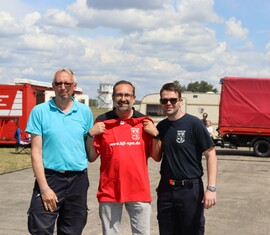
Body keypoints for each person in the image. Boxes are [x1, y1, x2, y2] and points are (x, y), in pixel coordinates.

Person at [86, 80, 161, 235]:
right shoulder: (102, 122)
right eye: (119, 94)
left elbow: (156, 156)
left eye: (127, 95)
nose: (123, 98)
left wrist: (156, 136)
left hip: (138, 190)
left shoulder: (144, 122)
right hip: (110, 190)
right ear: (113, 97)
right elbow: (92, 157)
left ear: (134, 98)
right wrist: (90, 135)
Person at [26, 68, 94, 235]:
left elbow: (90, 151)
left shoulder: (84, 112)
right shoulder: (40, 111)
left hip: (78, 179)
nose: (63, 87)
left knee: (72, 230)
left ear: (74, 86)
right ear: (53, 86)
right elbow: (36, 153)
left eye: (67, 83)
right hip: (50, 177)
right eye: (59, 83)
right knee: (40, 227)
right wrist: (44, 188)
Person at [156, 83, 217, 235]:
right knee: (166, 230)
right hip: (166, 189)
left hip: (190, 189)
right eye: (164, 101)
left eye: (173, 100)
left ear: (180, 101)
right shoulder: (162, 126)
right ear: (161, 103)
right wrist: (155, 136)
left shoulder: (194, 124)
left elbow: (211, 154)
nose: (168, 103)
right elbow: (157, 157)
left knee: (192, 230)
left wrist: (211, 188)